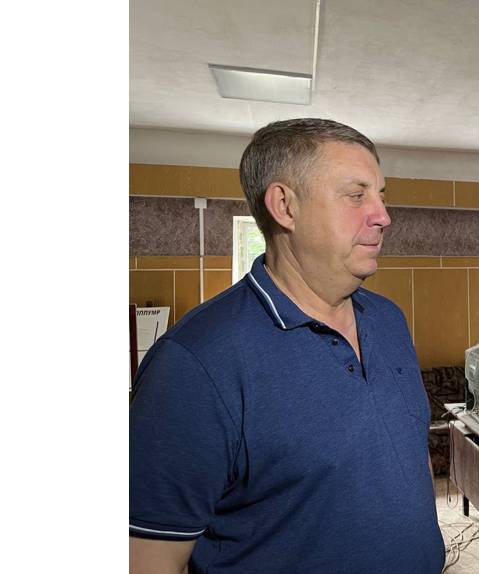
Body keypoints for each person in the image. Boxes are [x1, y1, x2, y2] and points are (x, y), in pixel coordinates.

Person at [129, 118, 445, 573]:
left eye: (381, 195)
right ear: (285, 206)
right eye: (356, 196)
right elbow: (147, 560)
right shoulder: (194, 363)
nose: (383, 215)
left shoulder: (389, 319)